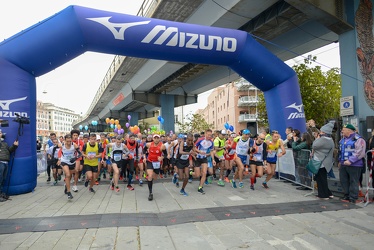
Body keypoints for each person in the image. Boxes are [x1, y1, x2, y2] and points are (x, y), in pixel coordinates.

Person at [338, 124, 366, 203]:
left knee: (353, 181)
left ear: (349, 131)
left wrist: (350, 160)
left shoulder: (358, 139)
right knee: (344, 180)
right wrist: (340, 161)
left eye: (344, 129)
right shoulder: (342, 140)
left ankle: (353, 197)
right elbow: (341, 151)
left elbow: (360, 152)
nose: (342, 131)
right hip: (344, 164)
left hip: (355, 165)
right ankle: (346, 195)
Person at [312, 121, 335, 200]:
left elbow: (314, 145)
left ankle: (323, 195)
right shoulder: (329, 139)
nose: (320, 133)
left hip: (321, 162)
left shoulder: (324, 139)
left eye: (321, 131)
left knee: (321, 179)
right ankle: (328, 193)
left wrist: (317, 138)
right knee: (322, 178)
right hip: (324, 162)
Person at [143, 134, 168, 201]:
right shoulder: (149, 144)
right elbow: (144, 150)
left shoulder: (162, 146)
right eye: (155, 138)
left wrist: (162, 157)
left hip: (157, 163)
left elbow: (166, 154)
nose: (156, 139)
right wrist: (144, 157)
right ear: (153, 139)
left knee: (155, 177)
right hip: (150, 161)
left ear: (159, 139)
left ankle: (150, 181)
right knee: (150, 176)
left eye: (157, 138)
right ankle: (150, 193)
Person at [57, 134, 82, 200]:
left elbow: (80, 154)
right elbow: (56, 147)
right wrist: (59, 159)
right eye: (67, 141)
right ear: (65, 140)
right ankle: (69, 192)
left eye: (70, 141)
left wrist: (75, 158)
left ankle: (66, 186)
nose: (68, 143)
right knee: (67, 174)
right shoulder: (62, 145)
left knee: (70, 176)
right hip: (64, 161)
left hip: (71, 162)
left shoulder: (74, 145)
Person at [0, 129, 18, 202]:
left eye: (0, 132)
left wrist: (14, 146)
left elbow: (9, 151)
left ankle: (1, 193)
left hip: (6, 162)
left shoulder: (4, 143)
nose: (1, 134)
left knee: (3, 179)